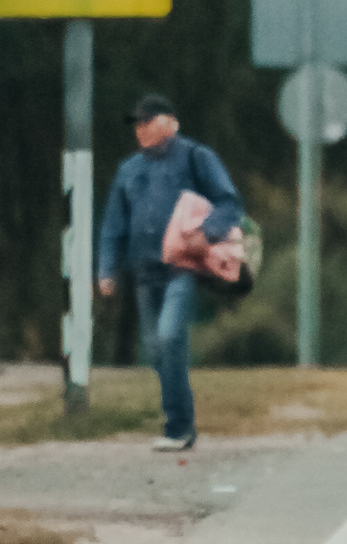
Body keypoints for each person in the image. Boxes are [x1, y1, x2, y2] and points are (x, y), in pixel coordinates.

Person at [95, 93, 243, 452]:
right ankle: (180, 421)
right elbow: (114, 224)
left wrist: (205, 233)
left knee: (169, 338)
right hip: (144, 273)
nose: (142, 129)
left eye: (149, 121)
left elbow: (229, 203)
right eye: (138, 123)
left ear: (171, 122)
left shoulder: (196, 157)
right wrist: (106, 269)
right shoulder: (129, 169)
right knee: (156, 350)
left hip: (182, 269)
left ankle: (178, 427)